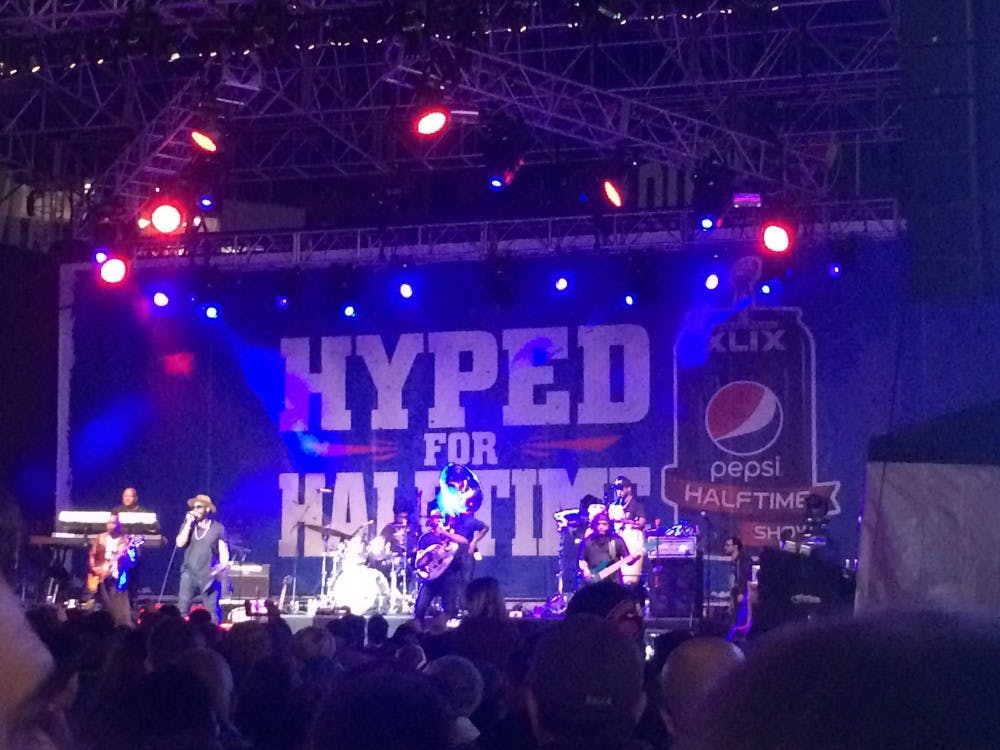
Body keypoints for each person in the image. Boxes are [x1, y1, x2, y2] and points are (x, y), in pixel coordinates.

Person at [175, 494, 230, 624]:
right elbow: (180, 543)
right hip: (189, 573)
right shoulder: (189, 525)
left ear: (207, 509)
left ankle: (216, 638)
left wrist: (222, 567)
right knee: (182, 610)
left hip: (209, 576)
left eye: (198, 507)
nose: (194, 510)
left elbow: (224, 552)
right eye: (193, 507)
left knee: (213, 613)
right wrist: (188, 523)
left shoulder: (218, 528)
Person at [440, 464, 490, 596]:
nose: (456, 487)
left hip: (465, 555)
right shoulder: (453, 516)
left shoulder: (469, 519)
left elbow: (484, 528)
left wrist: (474, 542)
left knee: (466, 582)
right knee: (451, 582)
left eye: (457, 483)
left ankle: (466, 608)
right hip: (452, 553)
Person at [413, 509, 467, 623]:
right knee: (420, 608)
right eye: (435, 517)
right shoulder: (425, 538)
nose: (438, 519)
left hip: (448, 577)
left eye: (440, 517)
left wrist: (445, 533)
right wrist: (428, 553)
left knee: (449, 610)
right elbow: (418, 563)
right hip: (431, 578)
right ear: (431, 520)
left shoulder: (451, 536)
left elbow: (464, 543)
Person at [86, 511, 135, 625]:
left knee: (116, 603)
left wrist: (112, 564)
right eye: (108, 523)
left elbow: (124, 557)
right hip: (99, 574)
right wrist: (94, 568)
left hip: (115, 575)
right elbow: (92, 554)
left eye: (113, 523)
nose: (110, 525)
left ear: (118, 525)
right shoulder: (100, 538)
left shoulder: (124, 540)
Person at [578, 512, 634, 586]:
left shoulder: (617, 541)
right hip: (594, 585)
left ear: (609, 525)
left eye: (604, 524)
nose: (601, 527)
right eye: (598, 524)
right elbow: (582, 560)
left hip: (614, 584)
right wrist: (585, 570)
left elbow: (628, 561)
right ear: (594, 525)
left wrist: (634, 558)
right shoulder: (587, 542)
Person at [722, 536, 753, 631]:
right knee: (734, 613)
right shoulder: (734, 561)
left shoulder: (743, 560)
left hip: (741, 591)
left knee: (741, 614)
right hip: (735, 591)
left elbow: (745, 576)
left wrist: (741, 592)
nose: (725, 547)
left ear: (735, 546)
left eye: (728, 545)